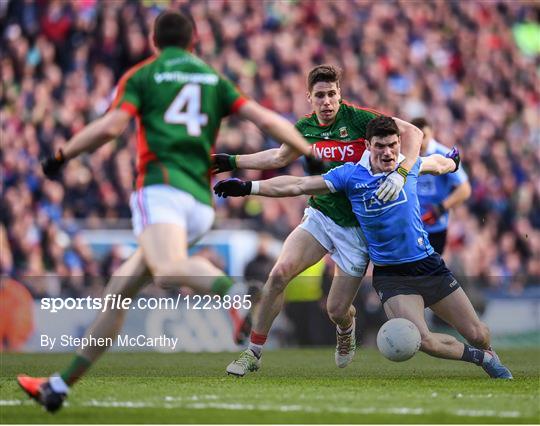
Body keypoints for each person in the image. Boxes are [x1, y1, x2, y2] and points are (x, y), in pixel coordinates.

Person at [17, 10, 314, 413]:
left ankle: (238, 294)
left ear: (154, 42)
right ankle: (59, 386)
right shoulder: (212, 78)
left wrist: (61, 154)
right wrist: (308, 150)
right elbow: (265, 119)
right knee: (118, 293)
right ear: (193, 41)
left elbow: (109, 128)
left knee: (168, 268)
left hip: (161, 190)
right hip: (198, 200)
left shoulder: (144, 75)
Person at [214, 116, 512, 379]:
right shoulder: (350, 176)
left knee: (478, 333)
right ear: (368, 145)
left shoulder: (408, 167)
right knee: (422, 339)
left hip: (428, 265)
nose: (387, 152)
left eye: (393, 145)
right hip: (392, 276)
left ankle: (487, 351)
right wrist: (249, 187)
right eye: (380, 146)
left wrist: (454, 161)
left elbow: (439, 163)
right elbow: (299, 185)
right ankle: (481, 359)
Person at [213, 65, 422, 376]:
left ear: (340, 95)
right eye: (320, 95)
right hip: (321, 216)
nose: (327, 101)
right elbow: (278, 159)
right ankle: (253, 352)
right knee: (279, 274)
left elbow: (413, 133)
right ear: (309, 97)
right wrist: (232, 162)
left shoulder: (358, 119)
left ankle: (346, 327)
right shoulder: (304, 128)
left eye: (332, 94)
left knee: (336, 310)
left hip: (357, 231)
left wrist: (403, 173)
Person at [411, 117, 471, 254]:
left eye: (424, 136)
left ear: (432, 133)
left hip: (434, 228)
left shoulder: (444, 155)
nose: (421, 141)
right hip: (412, 225)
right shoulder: (408, 154)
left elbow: (465, 189)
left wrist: (441, 208)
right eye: (417, 136)